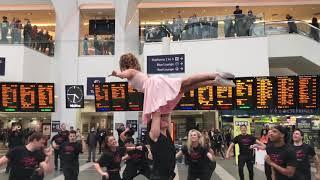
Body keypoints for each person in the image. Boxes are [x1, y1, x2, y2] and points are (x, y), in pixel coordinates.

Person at [109, 53, 235, 124]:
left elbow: (123, 75)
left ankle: (215, 75)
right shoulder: (136, 72)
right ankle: (214, 82)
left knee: (186, 82)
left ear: (123, 65)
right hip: (154, 87)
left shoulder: (130, 72)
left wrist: (117, 74)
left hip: (155, 86)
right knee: (186, 87)